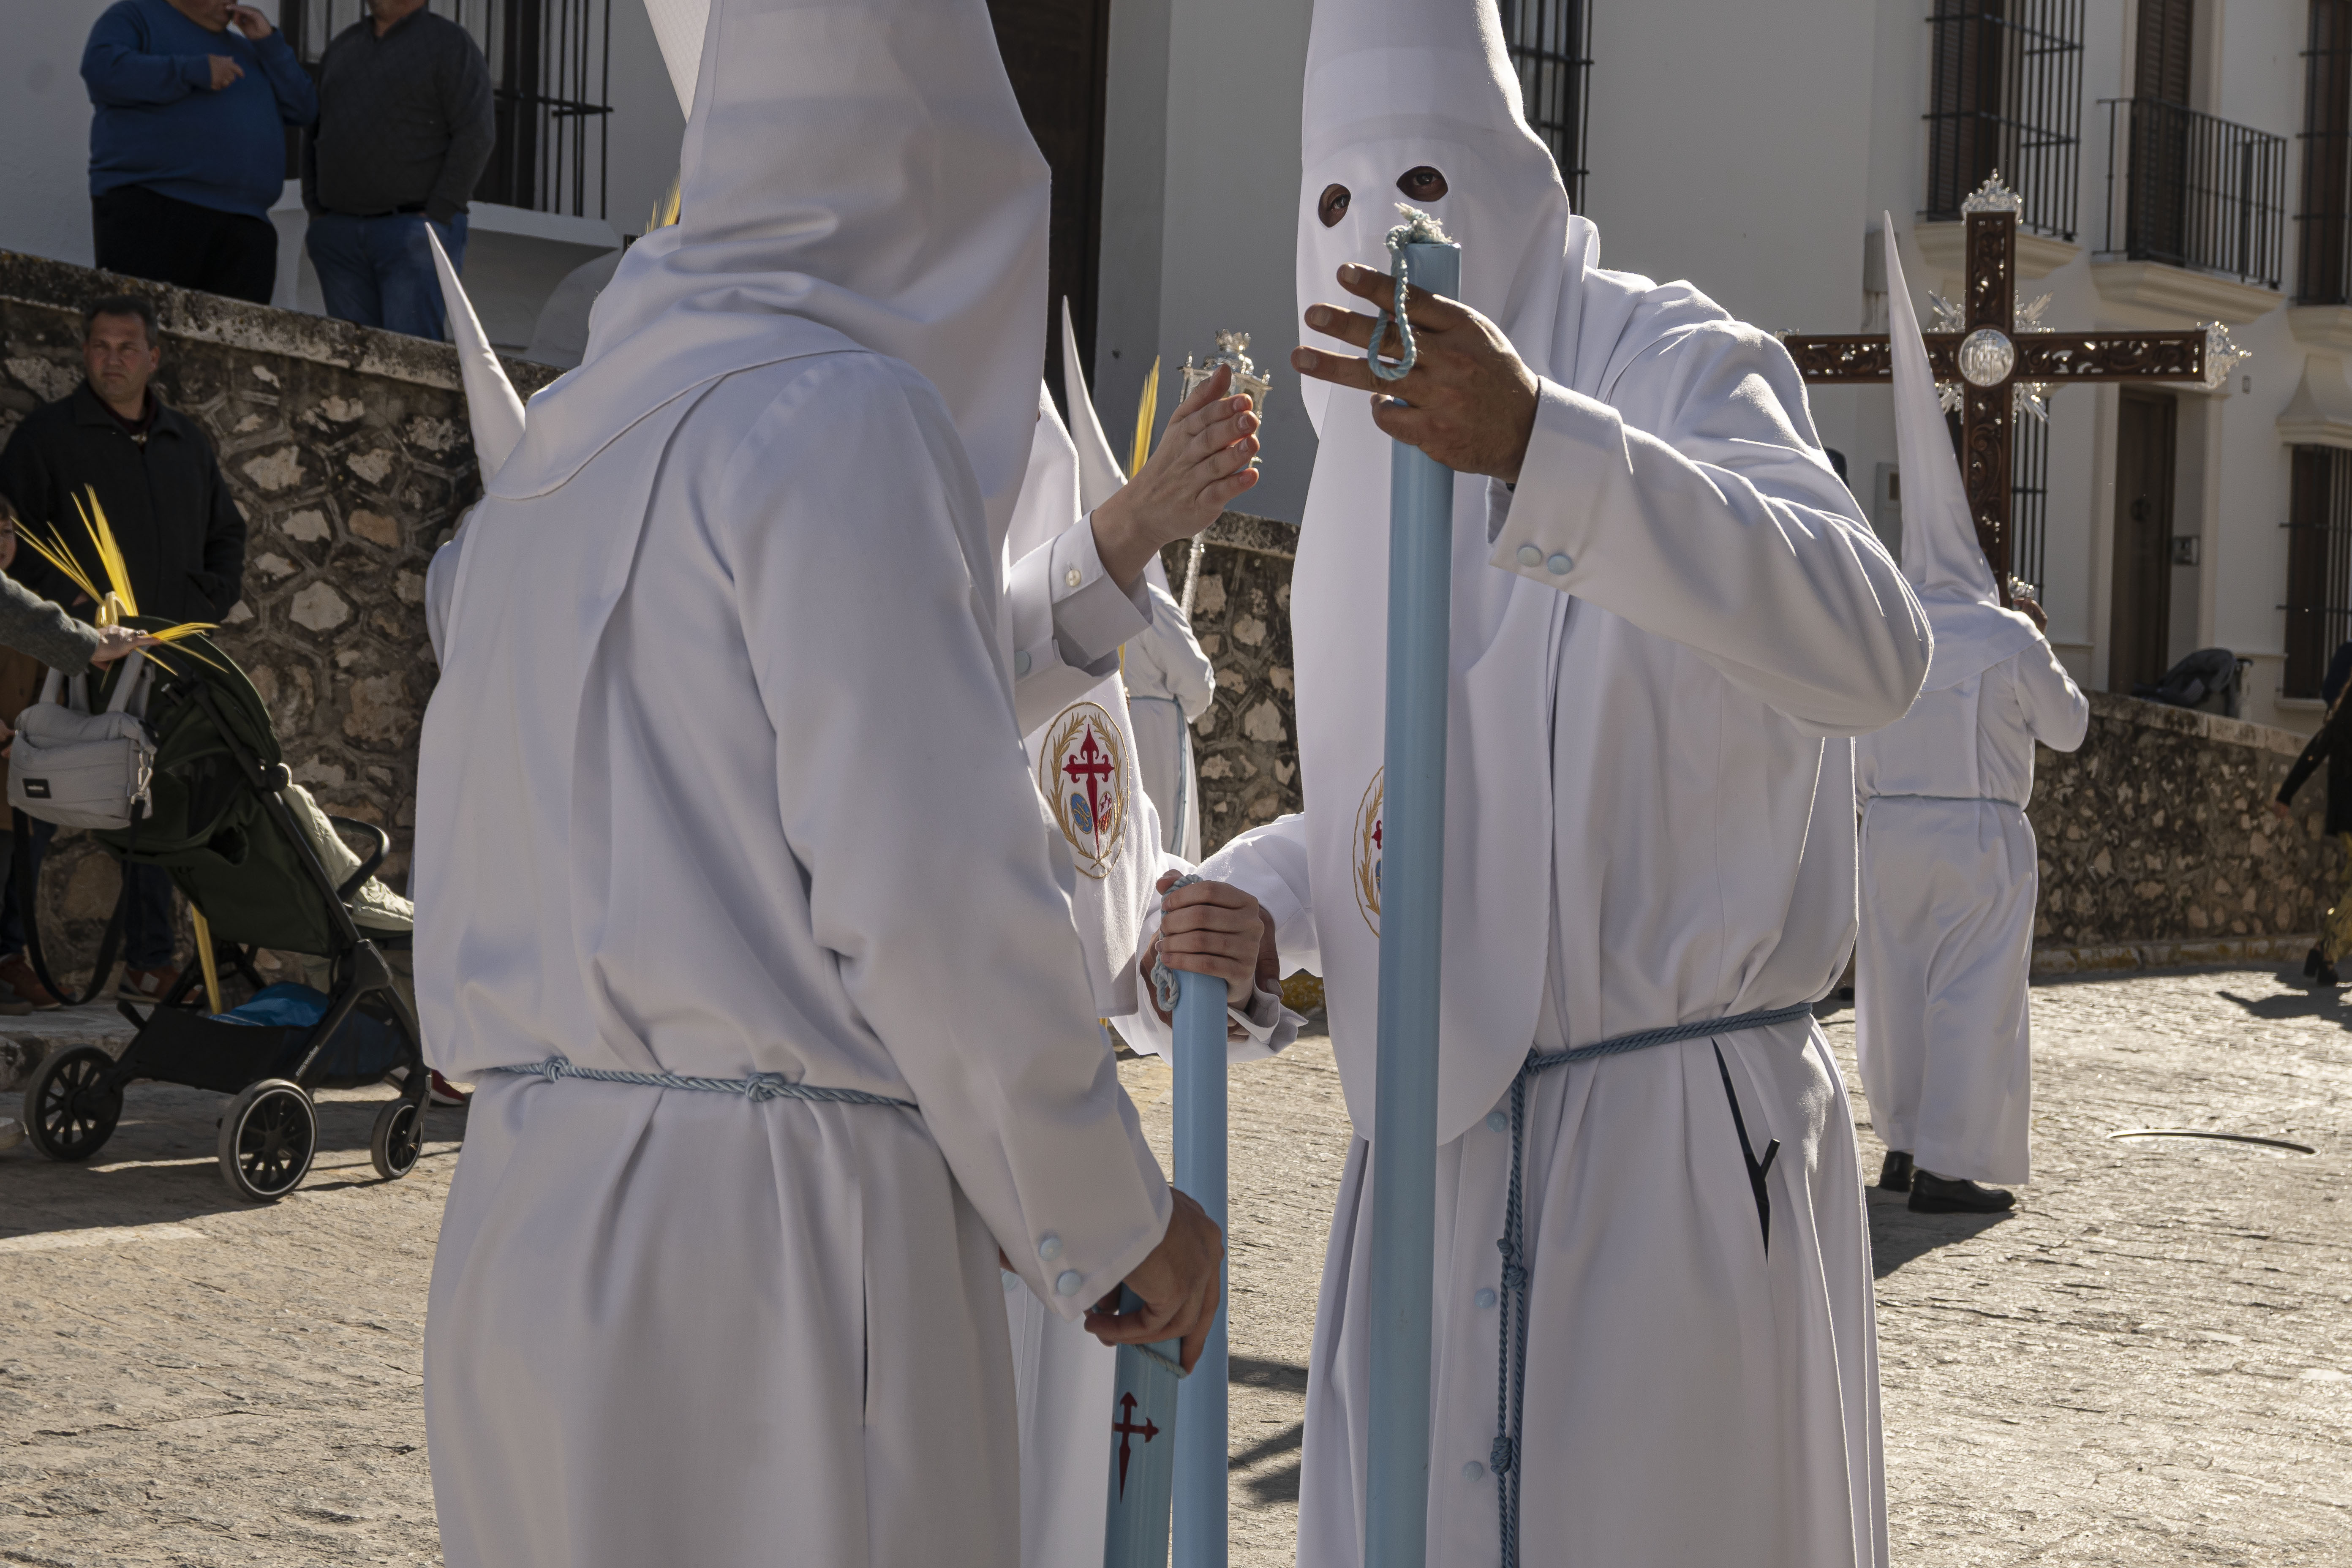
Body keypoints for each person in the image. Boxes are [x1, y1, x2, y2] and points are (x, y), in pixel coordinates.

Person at [411, 1, 1229, 1563]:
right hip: (773, 1255)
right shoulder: (840, 412)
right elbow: (931, 898)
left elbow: (724, 727)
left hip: (525, 1212)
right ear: (926, 185)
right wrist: (1115, 1215)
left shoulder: (568, 443)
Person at [1152, 0, 1931, 1562]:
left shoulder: (1677, 363)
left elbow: (1871, 646)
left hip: (1666, 1168)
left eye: (1422, 185)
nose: (1376, 239)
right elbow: (1430, 802)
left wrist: (1543, 449)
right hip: (1430, 1166)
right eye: (1333, 200)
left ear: (1516, 182)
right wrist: (1270, 899)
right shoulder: (1359, 470)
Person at [1853, 226, 2088, 1217]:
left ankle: (1904, 1145)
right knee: (1971, 997)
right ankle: (1951, 1167)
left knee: (1897, 991)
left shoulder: (1882, 632)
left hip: (1887, 830)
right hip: (1980, 833)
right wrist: (2036, 639)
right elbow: (2068, 729)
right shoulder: (2004, 633)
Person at [0, 293, 247, 1006]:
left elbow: (227, 536)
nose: (112, 360)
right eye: (100, 346)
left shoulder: (186, 442)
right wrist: (74, 616)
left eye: (127, 347)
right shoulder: (46, 438)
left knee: (154, 805)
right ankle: (6, 952)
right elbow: (11, 540)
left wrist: (198, 609)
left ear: (154, 357)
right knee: (36, 799)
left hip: (162, 660)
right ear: (85, 353)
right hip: (70, 659)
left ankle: (149, 962)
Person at [81, 0, 317, 305]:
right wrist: (192, 71)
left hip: (246, 223)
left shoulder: (252, 51)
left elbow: (304, 107)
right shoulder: (135, 16)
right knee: (150, 326)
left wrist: (270, 43)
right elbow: (103, 71)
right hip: (153, 205)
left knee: (234, 336)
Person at [303, 0, 494, 340]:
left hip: (413, 233)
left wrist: (438, 213)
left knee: (410, 355)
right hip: (338, 235)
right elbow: (315, 128)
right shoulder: (343, 46)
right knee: (349, 357)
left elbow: (476, 133)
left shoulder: (450, 44)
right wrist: (316, 209)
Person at [2273, 689, 2352, 985]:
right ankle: (2328, 953)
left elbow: (2312, 755)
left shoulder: (2340, 723)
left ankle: (2321, 949)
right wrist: (2284, 795)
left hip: (2345, 820)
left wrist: (2285, 794)